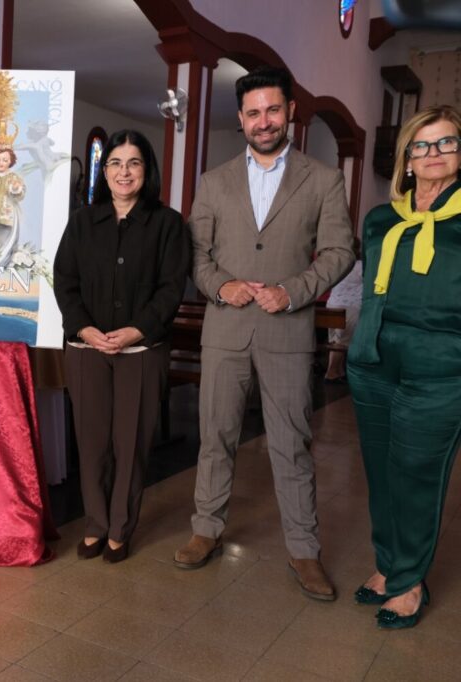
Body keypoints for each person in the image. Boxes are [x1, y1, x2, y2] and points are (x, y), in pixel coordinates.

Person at [173, 66, 355, 601]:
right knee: (216, 436)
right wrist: (220, 286)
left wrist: (293, 290)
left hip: (287, 330)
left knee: (292, 444)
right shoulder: (213, 181)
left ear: (290, 112)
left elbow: (341, 251)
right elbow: (196, 254)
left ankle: (304, 550)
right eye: (253, 112)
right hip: (226, 329)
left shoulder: (322, 179)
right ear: (241, 119)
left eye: (273, 109)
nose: (264, 120)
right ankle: (206, 529)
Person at [348, 105, 461, 628]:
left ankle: (410, 580)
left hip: (441, 369)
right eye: (423, 144)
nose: (434, 154)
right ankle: (389, 565)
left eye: (446, 143)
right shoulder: (379, 218)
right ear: (407, 157)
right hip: (373, 362)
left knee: (417, 475)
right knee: (381, 474)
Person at [53, 130, 189, 562]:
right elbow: (65, 281)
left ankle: (120, 526)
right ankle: (94, 523)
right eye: (115, 163)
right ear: (104, 170)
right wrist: (84, 329)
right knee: (91, 443)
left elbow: (171, 288)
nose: (123, 171)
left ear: (146, 171)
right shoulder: (81, 222)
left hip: (141, 352)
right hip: (87, 348)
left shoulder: (167, 223)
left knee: (130, 444)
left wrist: (137, 329)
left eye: (134, 163)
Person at [324, 240, 362, 383]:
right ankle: (331, 372)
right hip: (350, 307)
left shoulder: (338, 265)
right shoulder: (360, 266)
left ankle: (337, 371)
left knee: (335, 340)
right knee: (343, 342)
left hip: (332, 305)